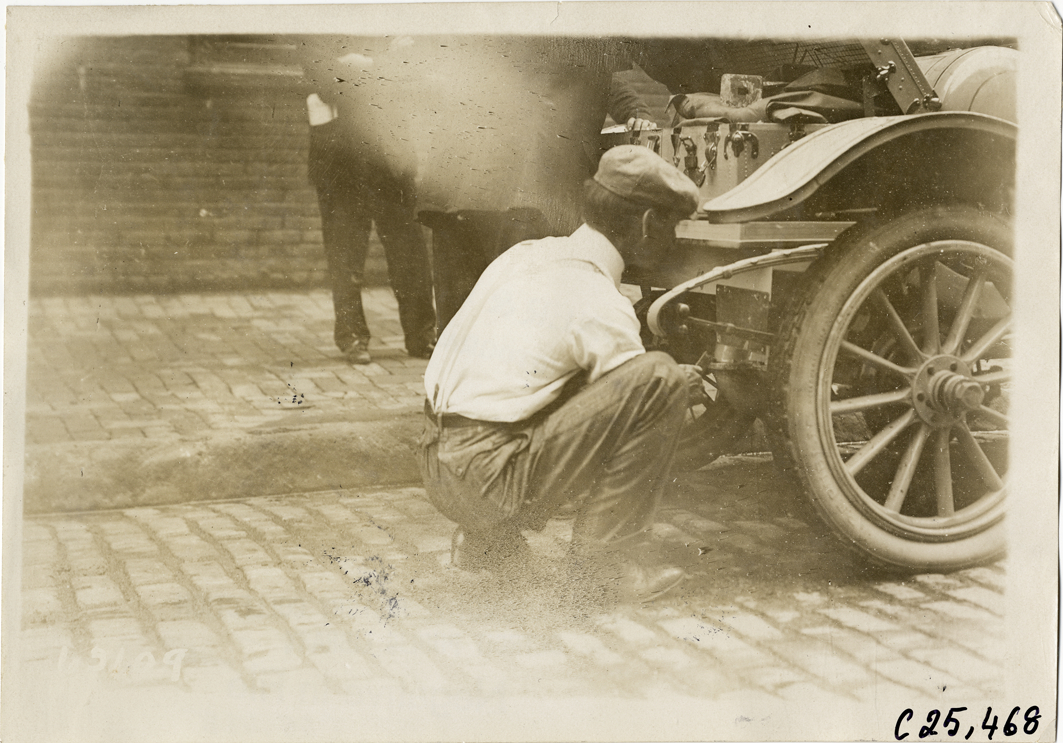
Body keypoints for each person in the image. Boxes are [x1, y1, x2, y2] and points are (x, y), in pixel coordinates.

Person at [418, 145, 704, 603]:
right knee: (659, 381)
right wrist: (683, 385)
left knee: (557, 377)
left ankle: (487, 544)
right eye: (672, 224)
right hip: (485, 476)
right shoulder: (595, 296)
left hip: (435, 461)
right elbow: (634, 401)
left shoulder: (530, 253)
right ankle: (600, 568)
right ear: (649, 224)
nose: (673, 238)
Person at [305, 39, 436, 364]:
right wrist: (377, 70)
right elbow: (325, 86)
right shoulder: (317, 26)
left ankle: (422, 337)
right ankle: (352, 337)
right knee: (345, 253)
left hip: (390, 162)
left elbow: (413, 79)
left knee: (409, 251)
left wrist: (353, 67)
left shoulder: (387, 22)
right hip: (341, 165)